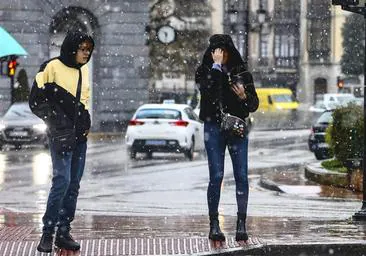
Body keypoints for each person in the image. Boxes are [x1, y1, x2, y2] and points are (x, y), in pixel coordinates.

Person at [29, 30, 94, 253]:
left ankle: (63, 232)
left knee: (73, 185)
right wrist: (58, 122)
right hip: (60, 135)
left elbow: (83, 102)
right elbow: (36, 100)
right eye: (82, 49)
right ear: (72, 48)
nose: (86, 54)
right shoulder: (51, 67)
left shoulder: (83, 71)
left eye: (88, 49)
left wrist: (85, 122)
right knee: (62, 181)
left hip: (79, 137)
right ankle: (47, 233)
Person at [195, 34, 259, 246]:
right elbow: (207, 90)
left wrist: (243, 96)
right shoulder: (204, 71)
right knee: (217, 176)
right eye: (216, 51)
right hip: (213, 127)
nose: (220, 55)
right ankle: (214, 224)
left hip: (237, 128)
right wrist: (215, 67)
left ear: (230, 51)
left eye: (223, 51)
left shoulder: (242, 73)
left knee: (241, 175)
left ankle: (241, 223)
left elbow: (253, 105)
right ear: (211, 53)